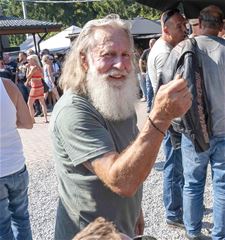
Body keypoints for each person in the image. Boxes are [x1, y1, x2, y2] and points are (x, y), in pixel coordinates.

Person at [50, 14, 192, 240]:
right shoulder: (73, 110)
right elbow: (120, 180)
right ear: (85, 60)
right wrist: (160, 117)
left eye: (126, 54)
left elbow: (129, 157)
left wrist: (135, 209)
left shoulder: (116, 98)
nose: (120, 64)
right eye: (108, 55)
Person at [162, 5, 225, 240]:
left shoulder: (184, 48)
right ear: (222, 26)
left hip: (194, 131)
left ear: (199, 22)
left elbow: (166, 87)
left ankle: (193, 232)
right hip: (223, 129)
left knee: (193, 184)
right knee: (222, 187)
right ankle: (219, 235)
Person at [147, 9, 187, 228]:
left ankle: (177, 205)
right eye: (179, 26)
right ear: (165, 29)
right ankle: (173, 211)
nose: (184, 29)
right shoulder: (164, 53)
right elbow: (169, 90)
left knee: (177, 163)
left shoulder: (169, 48)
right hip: (171, 119)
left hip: (171, 117)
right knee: (173, 163)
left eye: (184, 25)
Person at [0, 77, 33, 240]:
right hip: (16, 166)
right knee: (21, 219)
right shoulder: (8, 85)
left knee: (2, 226)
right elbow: (28, 122)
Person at [25, 54, 48, 123]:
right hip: (40, 86)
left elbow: (27, 76)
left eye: (29, 60)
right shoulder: (39, 67)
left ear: (33, 60)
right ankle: (46, 119)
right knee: (42, 103)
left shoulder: (33, 67)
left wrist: (27, 69)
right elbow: (42, 76)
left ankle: (32, 120)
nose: (28, 61)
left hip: (35, 87)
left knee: (29, 103)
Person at [139, 38, 156, 112]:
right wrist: (142, 71)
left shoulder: (157, 50)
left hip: (156, 72)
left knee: (156, 88)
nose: (151, 45)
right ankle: (149, 106)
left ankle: (156, 106)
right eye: (151, 43)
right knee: (149, 89)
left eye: (153, 43)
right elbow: (140, 60)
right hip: (149, 72)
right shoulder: (147, 51)